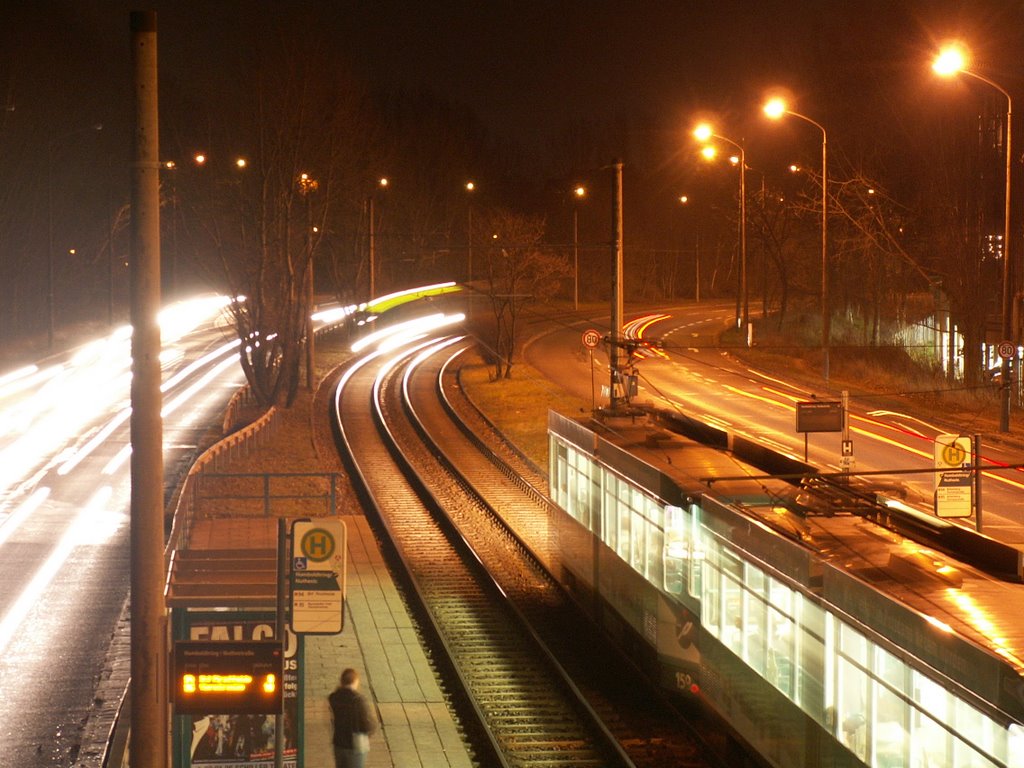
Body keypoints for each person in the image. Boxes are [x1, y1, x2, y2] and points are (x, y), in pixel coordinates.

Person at [328, 668, 378, 768]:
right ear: (355, 681)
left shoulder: (334, 697)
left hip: (338, 742)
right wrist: (370, 731)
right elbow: (368, 725)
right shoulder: (358, 700)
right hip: (355, 745)